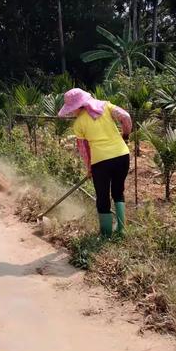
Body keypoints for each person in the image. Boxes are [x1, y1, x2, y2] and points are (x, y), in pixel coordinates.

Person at [58, 88, 132, 239]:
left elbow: (84, 150)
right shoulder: (106, 106)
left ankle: (106, 234)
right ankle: (121, 230)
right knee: (118, 192)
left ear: (79, 106)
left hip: (101, 163)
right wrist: (125, 135)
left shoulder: (79, 124)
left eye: (72, 110)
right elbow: (126, 116)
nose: (72, 113)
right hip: (122, 156)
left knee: (103, 197)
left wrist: (89, 168)